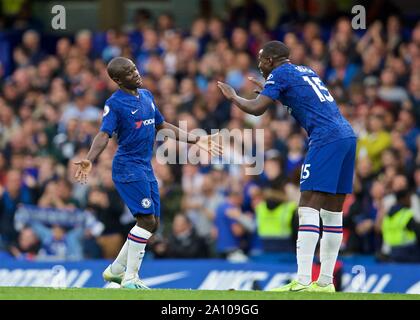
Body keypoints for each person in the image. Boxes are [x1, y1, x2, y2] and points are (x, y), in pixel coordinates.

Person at [217, 41, 357, 292]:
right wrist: (273, 92)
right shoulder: (305, 70)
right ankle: (325, 283)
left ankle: (303, 280)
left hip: (325, 138)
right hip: (346, 135)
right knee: (333, 211)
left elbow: (257, 109)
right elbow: (305, 99)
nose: (259, 65)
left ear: (271, 60)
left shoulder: (280, 74)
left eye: (261, 60)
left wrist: (234, 97)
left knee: (307, 206)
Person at [74, 57, 222, 289]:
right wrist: (90, 159)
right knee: (145, 220)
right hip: (127, 167)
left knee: (152, 224)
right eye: (129, 72)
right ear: (117, 79)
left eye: (134, 68)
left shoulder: (146, 96)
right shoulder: (115, 104)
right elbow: (104, 134)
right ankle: (130, 278)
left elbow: (161, 125)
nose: (136, 73)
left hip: (145, 166)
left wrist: (196, 139)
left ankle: (115, 270)